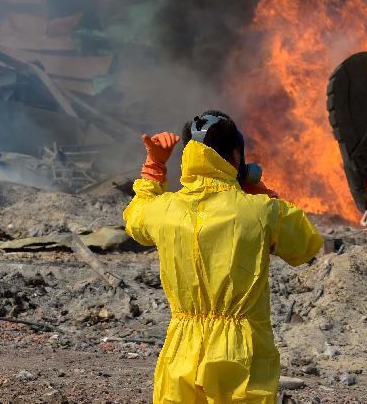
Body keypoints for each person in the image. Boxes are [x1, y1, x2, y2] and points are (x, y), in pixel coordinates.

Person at [124, 110, 323, 404]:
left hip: (182, 347)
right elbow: (305, 247)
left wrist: (155, 166)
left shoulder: (164, 210)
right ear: (235, 156)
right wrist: (261, 192)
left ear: (190, 154)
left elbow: (135, 219)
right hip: (241, 353)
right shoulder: (261, 211)